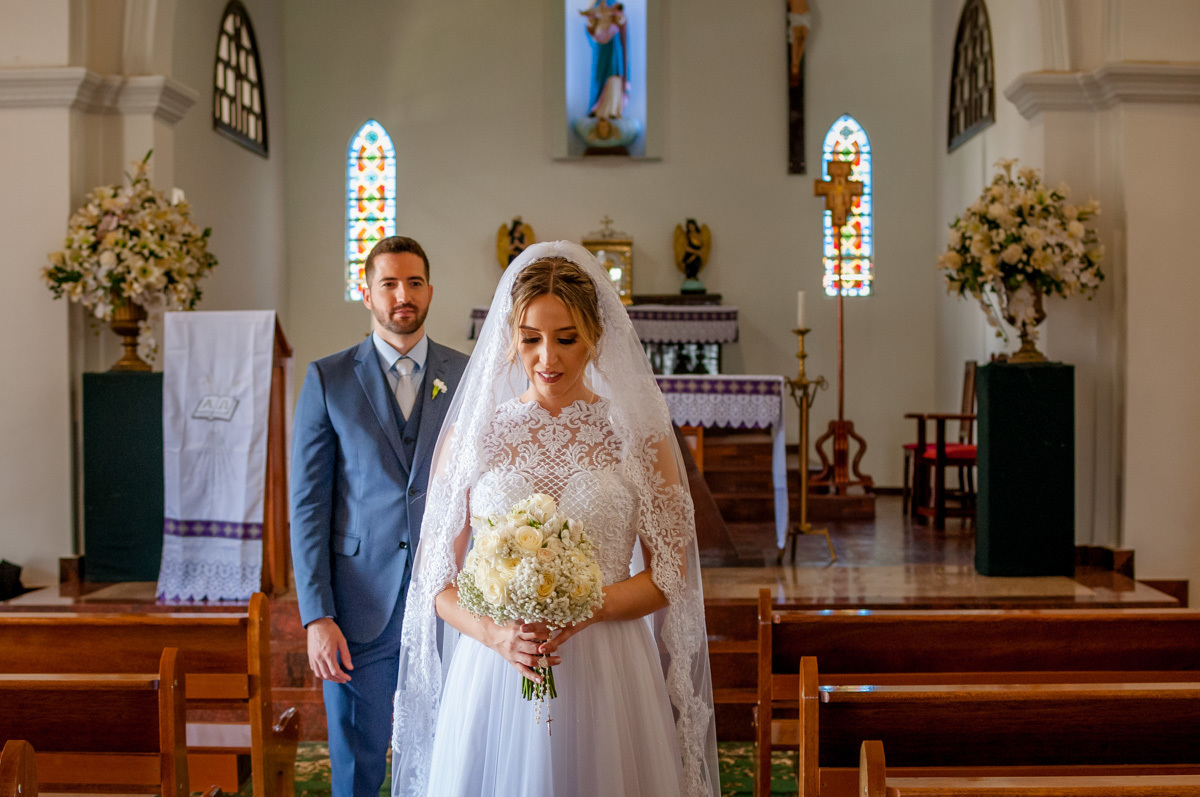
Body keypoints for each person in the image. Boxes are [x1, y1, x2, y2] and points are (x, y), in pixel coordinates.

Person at [389, 241, 720, 797]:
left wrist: (587, 606)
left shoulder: (637, 437)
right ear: (509, 340)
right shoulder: (477, 435)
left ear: (595, 337)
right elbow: (435, 584)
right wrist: (496, 635)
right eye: (531, 340)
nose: (548, 358)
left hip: (607, 669)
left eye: (566, 339)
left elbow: (672, 573)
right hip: (496, 670)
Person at [291, 236, 469, 797]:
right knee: (357, 762)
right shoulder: (329, 379)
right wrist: (318, 615)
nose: (402, 295)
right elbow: (309, 506)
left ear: (430, 291)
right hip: (358, 606)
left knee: (449, 753)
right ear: (366, 293)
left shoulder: (467, 376)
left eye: (414, 282)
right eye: (388, 283)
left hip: (453, 602)